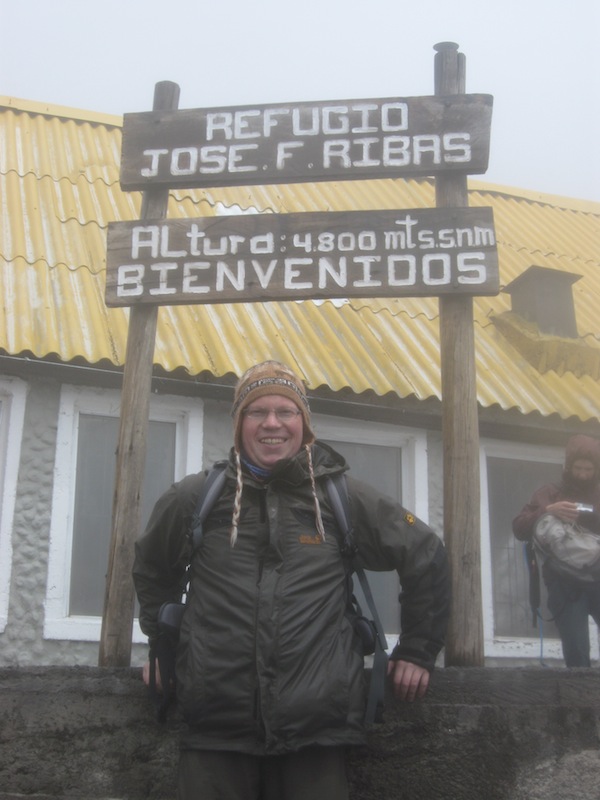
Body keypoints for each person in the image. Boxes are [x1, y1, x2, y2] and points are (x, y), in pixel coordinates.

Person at [133, 360, 450, 800]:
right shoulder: (196, 497)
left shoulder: (341, 497)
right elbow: (152, 567)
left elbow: (426, 554)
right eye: (256, 412)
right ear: (238, 423)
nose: (272, 424)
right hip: (215, 728)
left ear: (305, 422)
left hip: (317, 731)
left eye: (286, 411)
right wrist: (161, 650)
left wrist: (417, 650)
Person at [513, 434, 600, 667]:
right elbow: (519, 527)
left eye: (588, 469)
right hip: (565, 584)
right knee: (576, 652)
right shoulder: (549, 493)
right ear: (568, 466)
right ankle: (581, 700)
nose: (582, 474)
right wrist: (549, 511)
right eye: (578, 468)